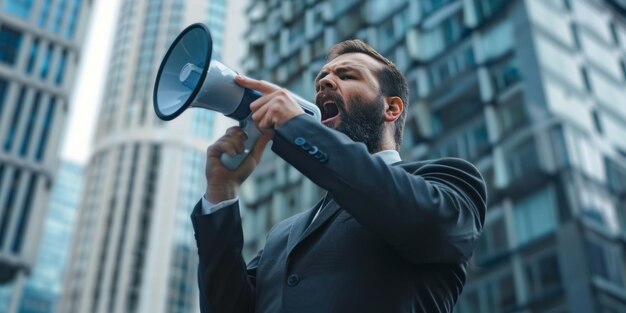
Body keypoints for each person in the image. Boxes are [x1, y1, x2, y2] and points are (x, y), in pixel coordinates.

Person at [191, 40, 487, 313]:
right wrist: (221, 194)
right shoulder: (282, 236)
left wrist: (298, 128)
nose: (324, 83)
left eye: (347, 76)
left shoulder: (449, 180)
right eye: (320, 80)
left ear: (392, 108)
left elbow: (424, 223)